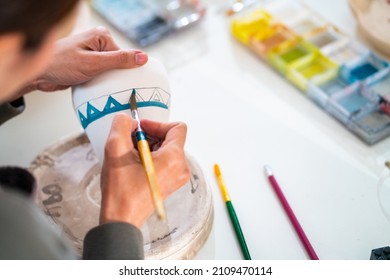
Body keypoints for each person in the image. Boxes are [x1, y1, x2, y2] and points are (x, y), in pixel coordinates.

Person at [0, 0, 190, 259]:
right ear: (12, 45)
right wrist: (121, 219)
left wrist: (30, 72)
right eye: (50, 37)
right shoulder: (14, 233)